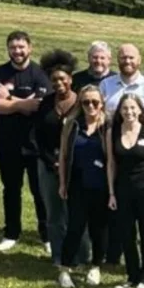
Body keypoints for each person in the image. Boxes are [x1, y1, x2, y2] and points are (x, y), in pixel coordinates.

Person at [0, 31, 51, 253]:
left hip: (36, 145)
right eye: (13, 47)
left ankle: (47, 236)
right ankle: (11, 234)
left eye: (21, 47)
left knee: (40, 191)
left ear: (30, 48)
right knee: (11, 190)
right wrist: (22, 103)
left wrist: (9, 98)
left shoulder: (41, 74)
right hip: (8, 143)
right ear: (8, 49)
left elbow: (39, 106)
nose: (17, 51)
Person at [107, 94, 144, 288]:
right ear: (120, 111)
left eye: (133, 108)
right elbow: (111, 164)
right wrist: (111, 193)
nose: (129, 112)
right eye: (125, 108)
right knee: (127, 234)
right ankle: (132, 276)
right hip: (123, 190)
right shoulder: (113, 132)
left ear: (140, 110)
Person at [55, 85, 109, 288]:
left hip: (102, 185)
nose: (91, 106)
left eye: (95, 102)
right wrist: (62, 183)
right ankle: (65, 269)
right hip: (77, 184)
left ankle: (96, 266)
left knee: (99, 228)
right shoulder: (72, 125)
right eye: (86, 102)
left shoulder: (108, 125)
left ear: (102, 103)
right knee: (75, 227)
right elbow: (63, 155)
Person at [34, 50, 83, 268]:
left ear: (71, 79)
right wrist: (51, 161)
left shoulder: (81, 104)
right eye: (54, 80)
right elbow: (38, 136)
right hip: (48, 165)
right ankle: (58, 255)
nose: (59, 83)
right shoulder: (46, 104)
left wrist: (68, 162)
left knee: (77, 212)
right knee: (54, 213)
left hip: (76, 166)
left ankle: (81, 255)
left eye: (63, 79)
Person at [100, 44, 144, 124]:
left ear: (139, 60)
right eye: (123, 58)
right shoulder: (106, 85)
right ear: (118, 60)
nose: (127, 61)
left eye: (131, 58)